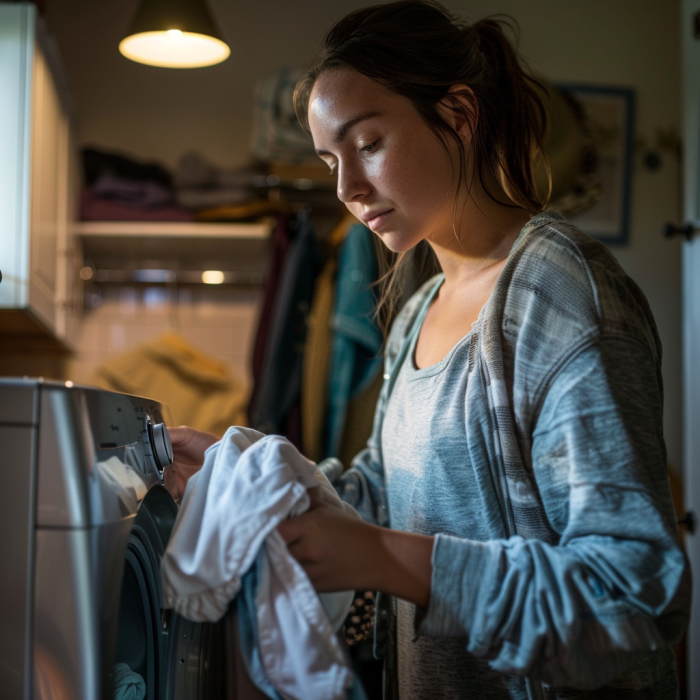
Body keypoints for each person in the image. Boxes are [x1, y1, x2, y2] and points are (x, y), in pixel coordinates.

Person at [166, 2, 691, 698]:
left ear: (459, 115)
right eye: (331, 160)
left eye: (369, 143)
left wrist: (384, 557)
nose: (347, 189)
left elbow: (633, 600)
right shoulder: (418, 313)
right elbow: (387, 501)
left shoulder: (559, 299)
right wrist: (253, 476)